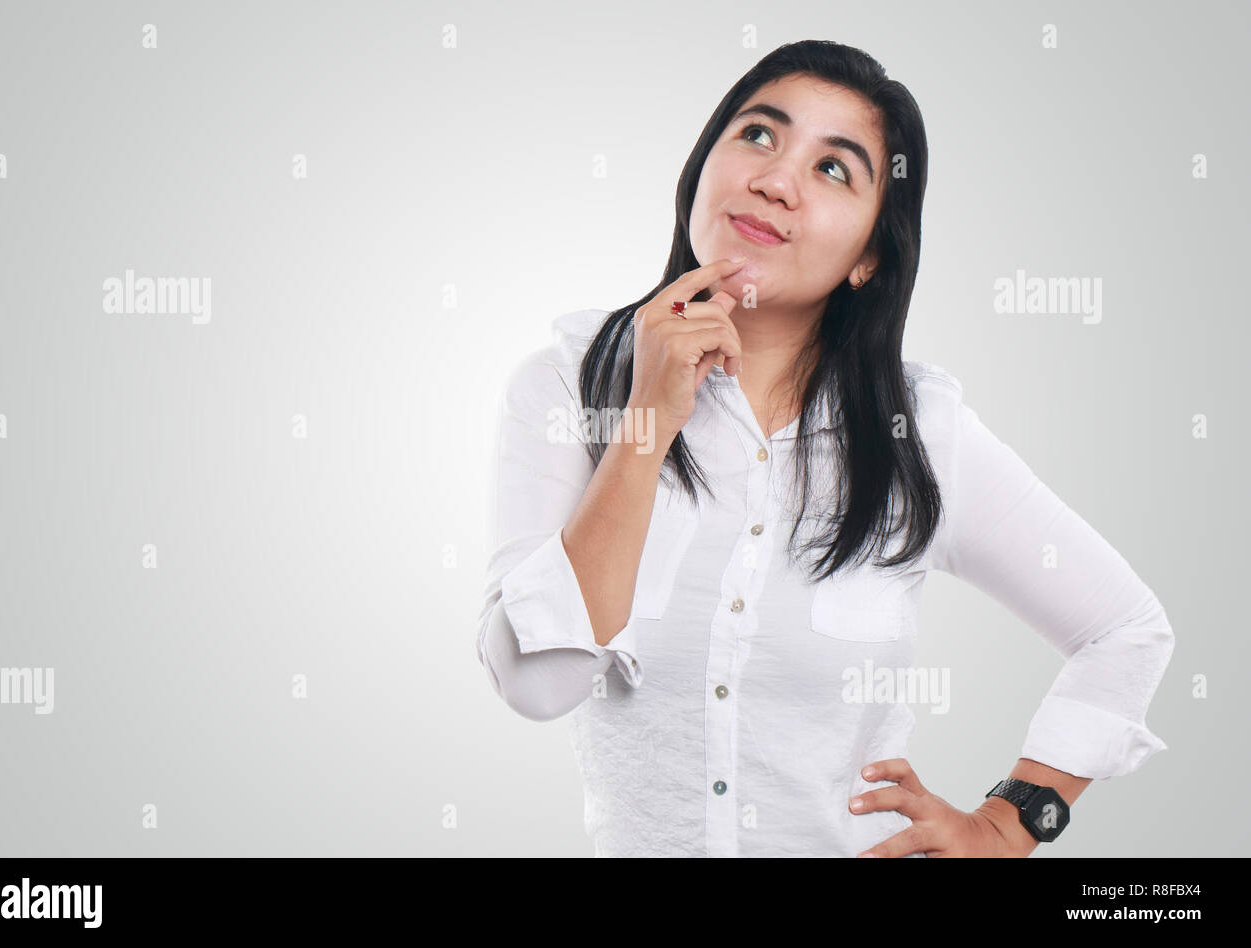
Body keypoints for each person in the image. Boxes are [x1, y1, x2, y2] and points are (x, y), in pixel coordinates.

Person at [475, 40, 1173, 857]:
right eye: (760, 137)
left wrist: (1008, 826)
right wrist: (647, 422)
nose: (776, 180)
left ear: (870, 255)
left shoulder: (920, 434)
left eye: (834, 170)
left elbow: (1124, 630)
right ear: (703, 166)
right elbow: (536, 682)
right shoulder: (566, 385)